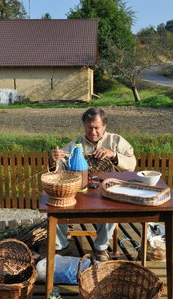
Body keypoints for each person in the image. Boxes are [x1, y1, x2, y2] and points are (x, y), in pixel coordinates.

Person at [49, 107, 136, 261]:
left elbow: (132, 164)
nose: (93, 132)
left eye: (97, 128)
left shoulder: (116, 141)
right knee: (56, 208)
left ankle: (101, 248)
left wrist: (113, 155)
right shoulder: (76, 143)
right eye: (89, 127)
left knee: (111, 210)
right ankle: (61, 247)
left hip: (107, 191)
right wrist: (54, 160)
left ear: (104, 126)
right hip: (80, 193)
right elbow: (60, 168)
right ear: (84, 126)